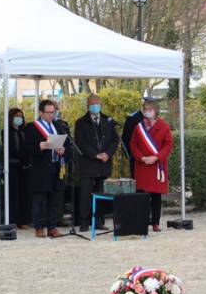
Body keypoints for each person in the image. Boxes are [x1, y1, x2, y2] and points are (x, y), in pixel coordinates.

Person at [74, 94, 120, 232]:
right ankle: (84, 222)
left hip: (104, 163)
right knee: (85, 194)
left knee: (102, 193)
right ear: (87, 106)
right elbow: (80, 142)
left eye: (97, 103)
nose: (95, 106)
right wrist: (95, 155)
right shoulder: (81, 122)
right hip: (88, 164)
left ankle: (99, 221)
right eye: (92, 103)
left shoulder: (108, 120)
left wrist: (108, 153)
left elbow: (115, 140)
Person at [24, 100, 67, 238]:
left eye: (52, 112)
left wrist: (63, 150)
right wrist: (39, 147)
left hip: (55, 167)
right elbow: (26, 149)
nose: (50, 115)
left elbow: (66, 143)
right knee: (39, 200)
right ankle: (38, 227)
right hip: (40, 169)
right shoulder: (32, 127)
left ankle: (52, 227)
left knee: (54, 199)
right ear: (41, 112)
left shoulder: (57, 125)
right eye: (48, 113)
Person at [129, 99, 173, 232]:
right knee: (142, 195)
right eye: (146, 109)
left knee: (156, 195)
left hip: (157, 166)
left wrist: (156, 157)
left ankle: (155, 223)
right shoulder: (139, 127)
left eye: (150, 109)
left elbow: (168, 144)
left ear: (156, 111)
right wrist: (141, 157)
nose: (148, 112)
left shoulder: (164, 126)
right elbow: (133, 144)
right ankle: (142, 221)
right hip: (143, 165)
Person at [6, 108, 31, 229]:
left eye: (21, 116)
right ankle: (14, 220)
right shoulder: (6, 131)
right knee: (14, 194)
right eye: (16, 116)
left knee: (24, 193)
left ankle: (24, 220)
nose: (19, 118)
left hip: (24, 166)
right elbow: (11, 148)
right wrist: (22, 155)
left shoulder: (24, 131)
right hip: (13, 165)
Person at [52, 100, 72, 227]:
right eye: (54, 109)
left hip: (62, 163)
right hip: (49, 163)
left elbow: (68, 142)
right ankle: (48, 218)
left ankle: (58, 217)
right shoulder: (39, 125)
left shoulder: (62, 124)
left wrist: (65, 152)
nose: (56, 112)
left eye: (57, 109)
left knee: (60, 191)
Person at [122, 97, 153, 178]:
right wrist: (132, 156)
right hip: (137, 158)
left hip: (152, 158)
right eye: (147, 107)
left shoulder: (153, 118)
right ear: (143, 106)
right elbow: (125, 138)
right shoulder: (132, 118)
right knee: (139, 185)